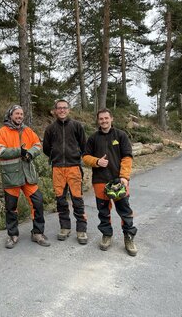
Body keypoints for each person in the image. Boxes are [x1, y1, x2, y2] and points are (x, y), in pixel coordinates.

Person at [0, 104, 50, 249]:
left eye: (21, 114)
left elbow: (37, 145)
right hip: (11, 176)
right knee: (11, 207)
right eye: (17, 114)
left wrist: (30, 153)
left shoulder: (28, 130)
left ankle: (37, 233)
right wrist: (19, 151)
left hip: (27, 175)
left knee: (37, 202)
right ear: (10, 115)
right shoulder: (2, 132)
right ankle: (12, 235)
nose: (19, 116)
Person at [82, 108, 138, 256]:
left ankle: (129, 237)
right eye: (101, 119)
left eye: (106, 118)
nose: (104, 121)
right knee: (103, 211)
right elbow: (85, 157)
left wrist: (124, 177)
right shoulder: (93, 138)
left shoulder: (121, 135)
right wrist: (96, 161)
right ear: (98, 121)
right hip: (99, 181)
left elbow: (127, 157)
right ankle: (107, 235)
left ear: (111, 119)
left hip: (118, 181)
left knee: (124, 211)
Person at [43, 99, 88, 244]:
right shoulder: (50, 129)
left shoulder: (77, 126)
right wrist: (55, 156)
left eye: (64, 108)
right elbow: (46, 148)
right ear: (55, 111)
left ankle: (81, 230)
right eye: (59, 108)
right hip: (57, 169)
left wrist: (75, 155)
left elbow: (83, 145)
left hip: (74, 167)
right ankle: (65, 227)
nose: (62, 110)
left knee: (77, 200)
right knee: (60, 200)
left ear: (68, 110)